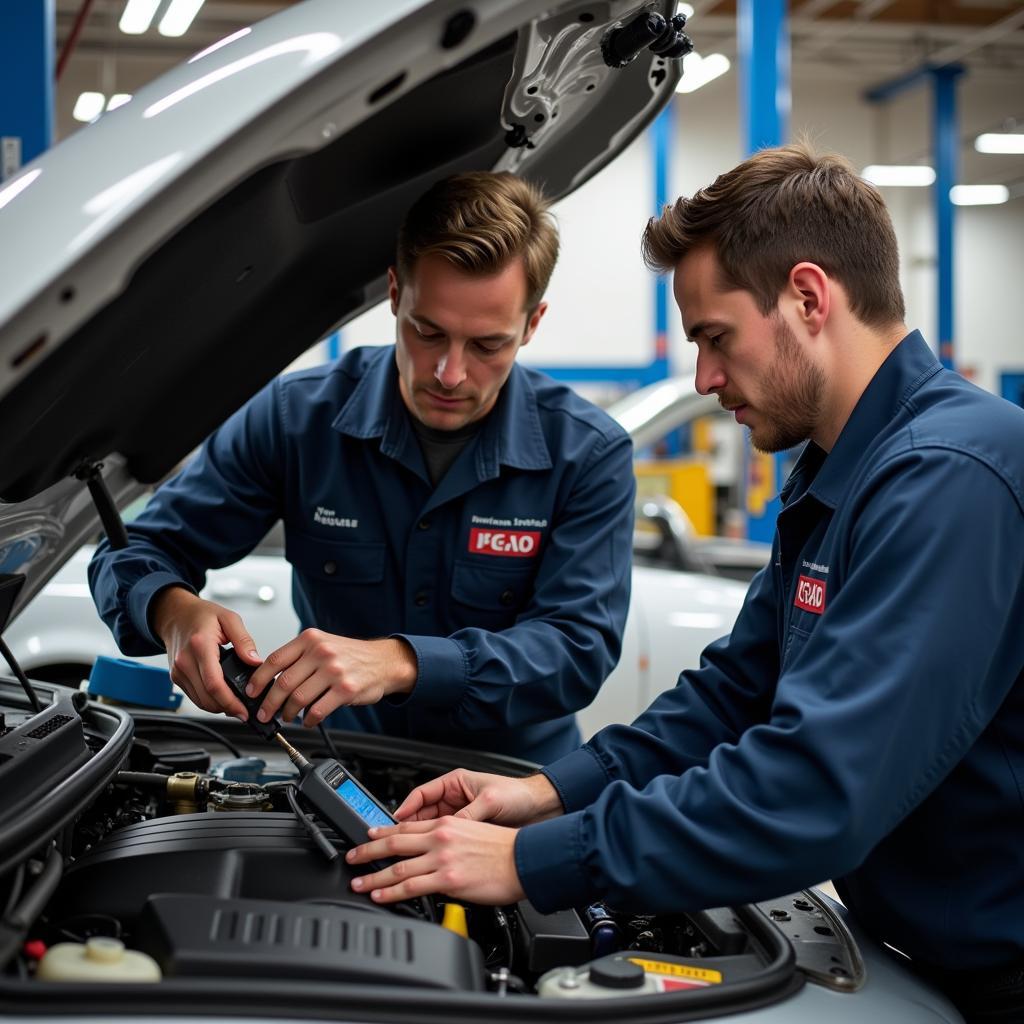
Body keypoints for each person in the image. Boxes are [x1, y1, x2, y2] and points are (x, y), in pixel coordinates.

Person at [346, 143, 1024, 1021]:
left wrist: (532, 862)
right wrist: (542, 793)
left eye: (714, 337)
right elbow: (734, 696)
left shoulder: (951, 478)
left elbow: (816, 788)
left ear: (809, 298)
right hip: (928, 952)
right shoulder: (844, 470)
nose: (705, 378)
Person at [88, 171, 636, 765]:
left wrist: (401, 662)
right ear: (396, 294)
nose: (450, 373)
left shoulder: (588, 453)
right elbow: (133, 549)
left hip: (510, 789)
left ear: (532, 323)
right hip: (346, 770)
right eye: (428, 332)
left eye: (487, 345)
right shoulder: (295, 420)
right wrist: (172, 611)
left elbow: (576, 649)